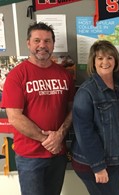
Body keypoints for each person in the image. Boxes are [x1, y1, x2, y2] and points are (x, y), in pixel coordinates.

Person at [1, 22, 75, 195]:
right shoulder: (16, 76)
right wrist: (47, 140)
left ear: (53, 44)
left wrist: (60, 135)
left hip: (58, 154)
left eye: (47, 41)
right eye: (37, 40)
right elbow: (15, 117)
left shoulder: (64, 75)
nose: (42, 45)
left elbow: (72, 110)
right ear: (28, 43)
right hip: (30, 157)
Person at [71, 40, 119, 195]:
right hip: (94, 163)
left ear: (115, 61)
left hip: (116, 159)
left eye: (109, 58)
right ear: (93, 62)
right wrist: (98, 166)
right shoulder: (86, 92)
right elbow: (84, 133)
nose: (105, 62)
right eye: (100, 58)